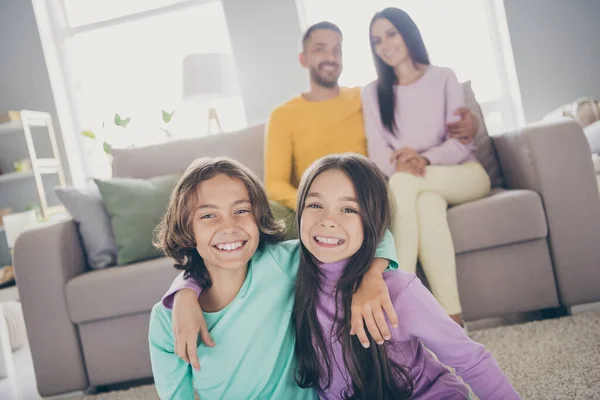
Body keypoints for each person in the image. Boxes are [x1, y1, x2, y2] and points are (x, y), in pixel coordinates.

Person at [170, 154, 520, 400]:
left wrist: (373, 272)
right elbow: (220, 258)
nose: (328, 220)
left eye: (348, 208)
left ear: (371, 222)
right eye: (315, 205)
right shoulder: (287, 267)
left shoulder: (398, 292)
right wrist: (186, 292)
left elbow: (471, 360)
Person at [148, 157, 399, 399]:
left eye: (241, 210)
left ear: (258, 217)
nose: (229, 226)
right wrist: (184, 292)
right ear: (186, 228)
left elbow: (373, 234)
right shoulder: (166, 319)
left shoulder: (284, 262)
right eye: (208, 215)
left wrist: (373, 274)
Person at [265, 21, 479, 215]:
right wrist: (312, 206)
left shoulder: (366, 97)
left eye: (337, 50)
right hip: (318, 206)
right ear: (304, 59)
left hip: (371, 199)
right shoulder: (283, 115)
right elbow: (275, 183)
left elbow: (417, 110)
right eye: (321, 49)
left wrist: (471, 123)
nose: (331, 58)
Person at [362, 8, 492, 326]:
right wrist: (410, 163)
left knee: (404, 185)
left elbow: (462, 142)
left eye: (391, 33)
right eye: (377, 40)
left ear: (408, 33)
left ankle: (397, 296)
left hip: (465, 175)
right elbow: (380, 157)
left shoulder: (444, 76)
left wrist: (423, 158)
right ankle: (454, 318)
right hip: (420, 185)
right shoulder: (373, 93)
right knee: (426, 206)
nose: (385, 44)